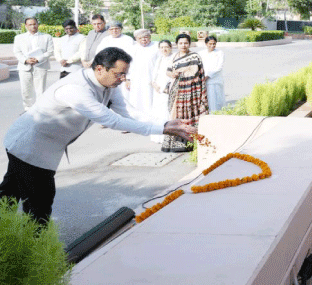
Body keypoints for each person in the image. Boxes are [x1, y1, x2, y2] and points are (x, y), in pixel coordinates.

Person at [0, 47, 194, 225]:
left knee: (9, 194)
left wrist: (164, 123)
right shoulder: (75, 89)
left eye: (125, 74)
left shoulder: (109, 85)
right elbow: (112, 120)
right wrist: (163, 130)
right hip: (29, 146)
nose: (123, 79)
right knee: (39, 204)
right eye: (119, 74)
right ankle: (35, 253)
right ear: (100, 69)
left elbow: (127, 111)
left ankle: (12, 240)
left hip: (42, 147)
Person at [163, 33, 209, 152]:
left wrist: (181, 73)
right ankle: (176, 143)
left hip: (191, 91)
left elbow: (196, 73)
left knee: (190, 114)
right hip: (177, 90)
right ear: (177, 44)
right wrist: (172, 74)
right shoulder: (174, 56)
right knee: (175, 115)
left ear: (189, 44)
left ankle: (191, 142)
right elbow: (168, 71)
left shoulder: (195, 57)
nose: (183, 45)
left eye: (186, 43)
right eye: (181, 43)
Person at [13, 17, 54, 109]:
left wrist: (38, 59)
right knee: (26, 90)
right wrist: (25, 60)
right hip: (25, 67)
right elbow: (17, 52)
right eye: (30, 24)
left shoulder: (46, 37)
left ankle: (39, 109)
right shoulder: (19, 38)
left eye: (34, 24)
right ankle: (28, 108)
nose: (33, 26)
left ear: (37, 24)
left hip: (41, 66)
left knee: (40, 90)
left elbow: (50, 51)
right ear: (26, 26)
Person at [150, 40, 174, 143]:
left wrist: (166, 87)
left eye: (166, 47)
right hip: (157, 90)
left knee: (167, 112)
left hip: (167, 89)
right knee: (158, 111)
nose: (164, 49)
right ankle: (158, 135)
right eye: (162, 47)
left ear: (170, 47)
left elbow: (172, 76)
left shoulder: (174, 58)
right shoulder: (159, 59)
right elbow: (155, 74)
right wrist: (154, 83)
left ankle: (169, 135)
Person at [127, 29, 157, 113]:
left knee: (150, 98)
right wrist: (128, 79)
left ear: (150, 37)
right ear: (136, 39)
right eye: (140, 38)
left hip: (152, 77)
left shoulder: (156, 47)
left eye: (146, 37)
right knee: (137, 99)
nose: (143, 40)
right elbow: (128, 65)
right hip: (136, 79)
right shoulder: (133, 49)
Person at [201, 36, 226, 112]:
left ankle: (216, 116)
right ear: (206, 44)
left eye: (214, 44)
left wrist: (208, 76)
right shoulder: (201, 53)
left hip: (215, 80)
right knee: (207, 101)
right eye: (210, 44)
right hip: (204, 80)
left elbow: (219, 67)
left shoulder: (219, 53)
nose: (212, 46)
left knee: (217, 101)